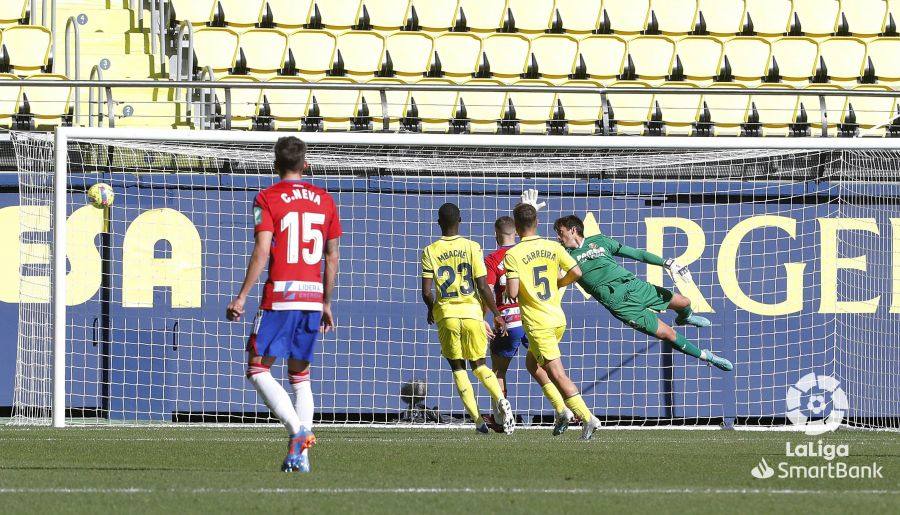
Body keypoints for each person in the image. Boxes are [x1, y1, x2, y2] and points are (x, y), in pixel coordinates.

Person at [226, 136, 342, 473]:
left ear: (275, 166)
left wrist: (243, 295)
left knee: (258, 368)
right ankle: (301, 457)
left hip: (280, 297)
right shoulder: (325, 200)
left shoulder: (267, 198)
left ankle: (298, 433)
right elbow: (332, 256)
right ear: (305, 164)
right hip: (310, 298)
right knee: (300, 374)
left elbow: (263, 250)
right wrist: (326, 302)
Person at [552, 212, 733, 372]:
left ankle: (685, 317)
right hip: (621, 305)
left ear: (573, 230)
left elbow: (636, 254)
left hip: (635, 286)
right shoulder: (562, 255)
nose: (559, 238)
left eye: (560, 233)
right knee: (667, 334)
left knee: (684, 302)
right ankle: (706, 356)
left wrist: (666, 263)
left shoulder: (599, 241)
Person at [503, 202, 602, 440]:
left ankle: (587, 418)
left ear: (516, 228)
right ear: (537, 223)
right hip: (557, 318)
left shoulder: (513, 254)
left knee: (557, 374)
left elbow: (513, 293)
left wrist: (508, 289)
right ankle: (561, 410)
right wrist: (558, 282)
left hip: (538, 324)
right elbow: (577, 272)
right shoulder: (552, 247)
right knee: (532, 365)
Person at [420, 203, 514, 434]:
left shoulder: (430, 250)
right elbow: (483, 285)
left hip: (447, 315)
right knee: (480, 365)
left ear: (438, 222)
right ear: (460, 220)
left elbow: (426, 292)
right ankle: (500, 400)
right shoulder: (473, 247)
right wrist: (496, 313)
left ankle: (477, 421)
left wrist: (431, 308)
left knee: (457, 367)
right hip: (472, 313)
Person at [483, 215, 573, 433]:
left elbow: (487, 292)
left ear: (496, 235)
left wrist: (483, 318)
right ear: (517, 233)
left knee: (498, 372)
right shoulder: (527, 252)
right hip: (532, 319)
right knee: (540, 367)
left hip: (507, 321)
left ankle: (500, 418)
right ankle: (563, 408)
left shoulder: (493, 259)